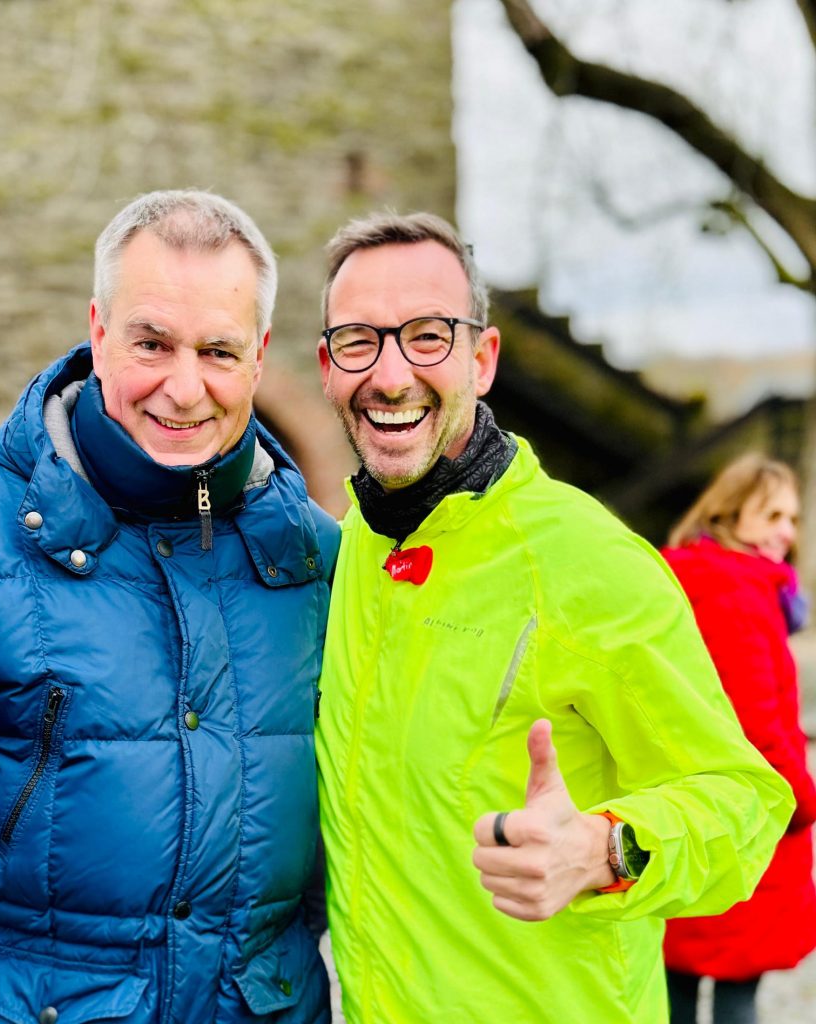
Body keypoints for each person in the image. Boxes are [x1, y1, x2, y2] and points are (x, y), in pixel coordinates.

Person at [0, 190, 339, 1024]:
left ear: (259, 356)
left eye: (218, 352)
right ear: (98, 328)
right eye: (152, 342)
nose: (184, 387)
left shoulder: (316, 560)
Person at [312, 211, 794, 1023]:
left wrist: (606, 848)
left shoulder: (589, 562)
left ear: (483, 358)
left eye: (428, 335)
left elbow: (747, 803)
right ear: (326, 366)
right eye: (359, 341)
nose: (390, 375)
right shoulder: (357, 543)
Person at [661, 454, 816, 1024]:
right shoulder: (736, 593)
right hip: (746, 824)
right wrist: (803, 801)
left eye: (794, 519)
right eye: (773, 513)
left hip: (693, 811)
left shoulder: (704, 579)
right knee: (734, 996)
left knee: (673, 984)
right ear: (730, 510)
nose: (787, 531)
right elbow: (755, 727)